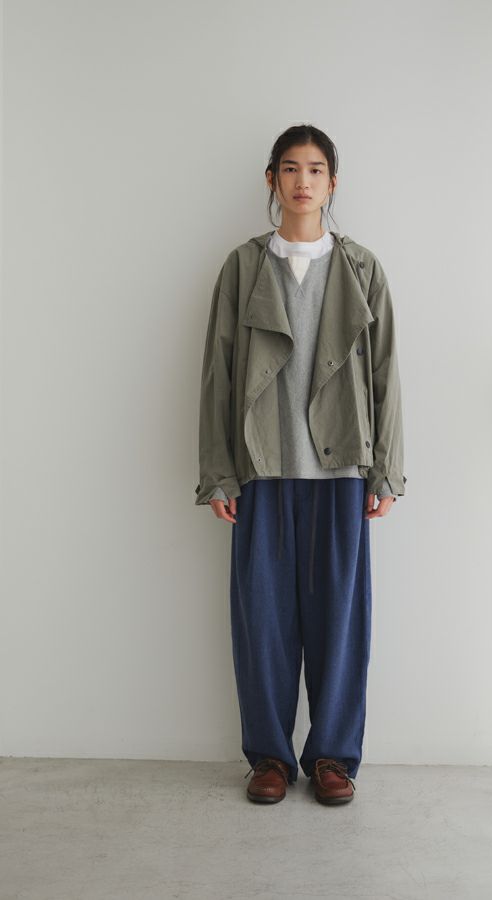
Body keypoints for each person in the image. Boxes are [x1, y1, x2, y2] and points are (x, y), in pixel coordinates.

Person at [194, 124, 407, 806]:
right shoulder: (243, 267)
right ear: (272, 180)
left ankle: (334, 758)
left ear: (332, 182)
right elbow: (219, 376)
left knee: (340, 625)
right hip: (263, 469)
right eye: (290, 168)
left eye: (316, 169)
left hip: (342, 474)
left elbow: (385, 376)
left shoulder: (362, 269)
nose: (303, 181)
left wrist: (386, 472)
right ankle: (269, 758)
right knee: (263, 625)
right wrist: (218, 472)